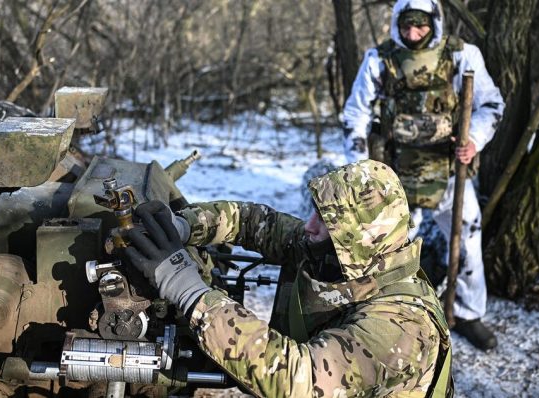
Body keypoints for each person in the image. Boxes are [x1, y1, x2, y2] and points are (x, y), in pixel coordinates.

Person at [124, 160, 453, 397]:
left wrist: (191, 293)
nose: (309, 227)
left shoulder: (400, 327)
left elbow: (301, 380)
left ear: (358, 238)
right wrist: (185, 226)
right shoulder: (345, 258)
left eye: (325, 222)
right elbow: (254, 222)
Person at [341, 0, 504, 350]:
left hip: (448, 171)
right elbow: (354, 114)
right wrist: (361, 169)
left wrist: (473, 140)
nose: (413, 35)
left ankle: (467, 314)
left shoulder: (462, 56)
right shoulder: (378, 60)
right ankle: (387, 315)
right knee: (389, 247)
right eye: (406, 26)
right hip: (394, 171)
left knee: (467, 239)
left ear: (435, 23)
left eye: (421, 26)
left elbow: (491, 104)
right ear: (396, 22)